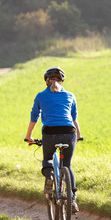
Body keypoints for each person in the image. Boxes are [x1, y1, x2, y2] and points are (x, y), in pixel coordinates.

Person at [24, 67, 82, 212]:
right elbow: (74, 118)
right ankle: (73, 200)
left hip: (50, 133)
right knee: (67, 165)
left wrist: (29, 136)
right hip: (70, 132)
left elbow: (34, 116)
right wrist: (79, 135)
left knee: (48, 159)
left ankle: (49, 175)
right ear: (62, 81)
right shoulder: (70, 95)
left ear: (47, 81)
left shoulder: (41, 96)